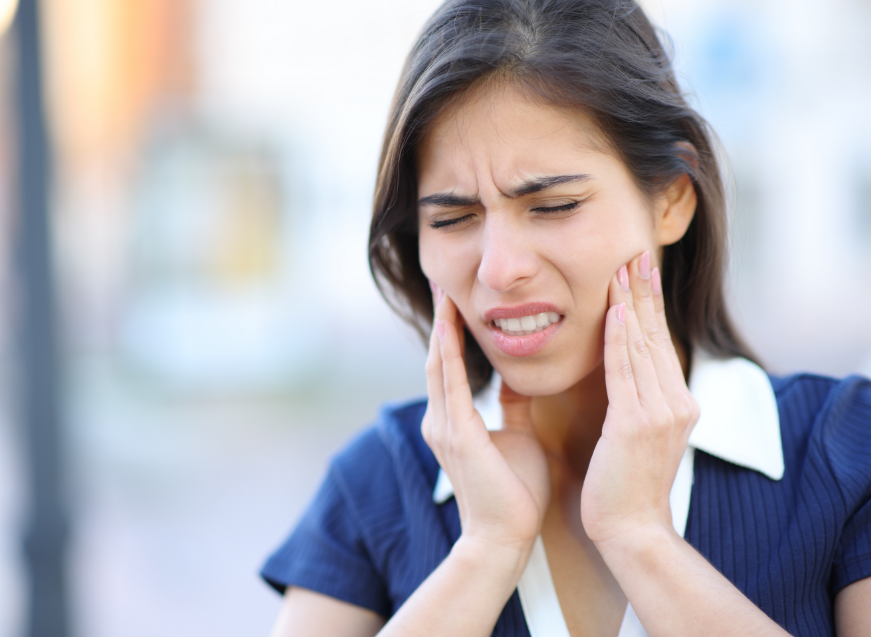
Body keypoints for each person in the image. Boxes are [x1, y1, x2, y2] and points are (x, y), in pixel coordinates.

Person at [261, 0, 871, 635]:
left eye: (553, 205)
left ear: (672, 200)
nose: (499, 269)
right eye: (451, 219)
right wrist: (484, 554)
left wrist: (640, 538)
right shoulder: (379, 484)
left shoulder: (846, 454)